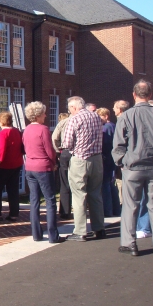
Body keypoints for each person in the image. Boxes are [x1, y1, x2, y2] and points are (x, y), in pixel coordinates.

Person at [113, 80, 153, 257]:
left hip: (133, 166)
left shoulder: (126, 116)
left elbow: (118, 144)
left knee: (130, 205)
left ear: (134, 94)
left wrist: (122, 162)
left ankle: (129, 243)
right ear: (150, 94)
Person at [62, 96, 106, 241]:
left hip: (80, 159)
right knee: (95, 194)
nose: (69, 111)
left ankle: (80, 231)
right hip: (97, 159)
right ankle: (99, 228)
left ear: (74, 107)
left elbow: (67, 143)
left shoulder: (74, 119)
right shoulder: (96, 116)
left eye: (70, 109)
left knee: (79, 195)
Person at [22, 101, 64, 243]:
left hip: (30, 167)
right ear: (39, 115)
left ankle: (36, 234)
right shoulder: (43, 129)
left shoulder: (26, 129)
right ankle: (53, 235)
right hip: (43, 167)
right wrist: (54, 163)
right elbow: (49, 150)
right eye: (44, 113)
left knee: (34, 201)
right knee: (50, 200)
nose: (46, 115)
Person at [0, 112, 24, 222]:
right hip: (16, 164)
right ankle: (14, 214)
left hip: (3, 166)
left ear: (1, 121)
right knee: (13, 190)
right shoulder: (17, 131)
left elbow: (1, 151)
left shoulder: (2, 134)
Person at [97, 108, 121, 217]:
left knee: (106, 185)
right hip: (112, 159)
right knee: (111, 185)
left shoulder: (106, 128)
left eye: (100, 116)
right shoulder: (113, 126)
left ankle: (108, 210)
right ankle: (116, 209)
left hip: (107, 159)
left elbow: (105, 145)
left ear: (106, 116)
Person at [52, 112, 72, 219]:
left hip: (66, 152)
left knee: (65, 183)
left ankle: (65, 211)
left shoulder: (64, 123)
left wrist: (58, 151)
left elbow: (54, 138)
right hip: (82, 154)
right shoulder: (90, 120)